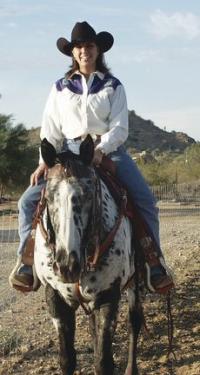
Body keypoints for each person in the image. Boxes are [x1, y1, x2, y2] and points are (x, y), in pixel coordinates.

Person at [9, 21, 174, 294]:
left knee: (144, 199)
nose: (84, 51)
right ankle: (26, 262)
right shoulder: (60, 87)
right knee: (27, 201)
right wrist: (43, 162)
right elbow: (49, 128)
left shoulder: (113, 86)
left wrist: (99, 151)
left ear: (98, 50)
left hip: (107, 152)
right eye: (79, 47)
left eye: (89, 46)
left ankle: (154, 264)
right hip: (66, 154)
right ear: (73, 53)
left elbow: (120, 128)